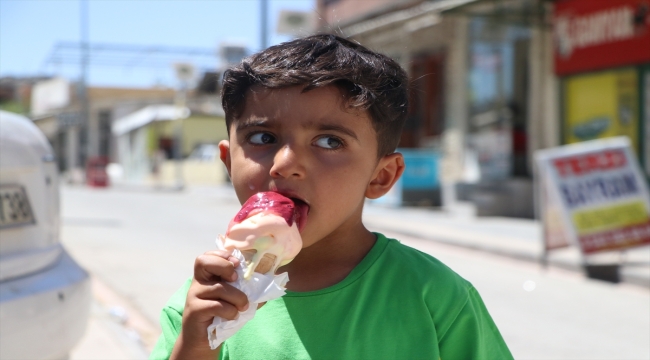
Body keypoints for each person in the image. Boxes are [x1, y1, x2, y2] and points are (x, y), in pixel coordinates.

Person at [150, 34, 513, 360]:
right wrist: (195, 348)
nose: (285, 164)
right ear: (229, 163)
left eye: (329, 141)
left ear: (381, 176)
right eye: (262, 138)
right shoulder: (203, 305)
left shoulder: (434, 296)